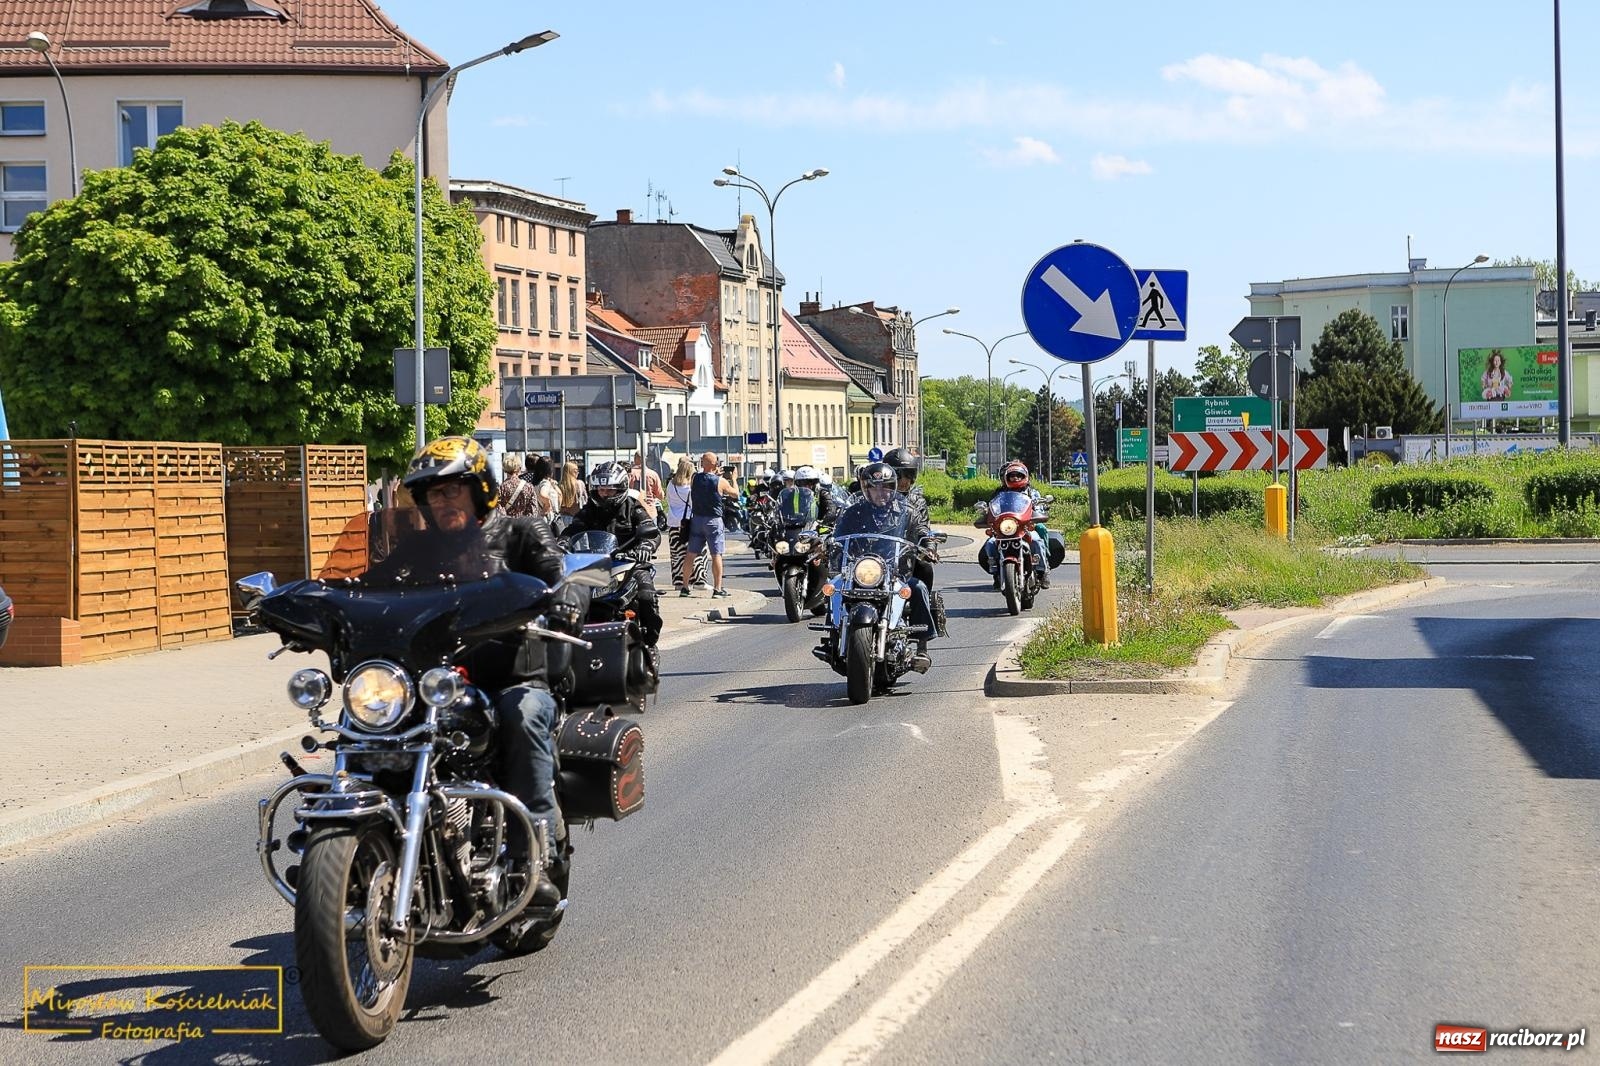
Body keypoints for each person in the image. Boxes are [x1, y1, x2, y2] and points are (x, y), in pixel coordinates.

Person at [384, 435, 580, 911]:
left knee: (524, 714)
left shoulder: (523, 533)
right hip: (438, 684)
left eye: (453, 490)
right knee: (378, 725)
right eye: (433, 493)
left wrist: (565, 601)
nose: (442, 500)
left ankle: (533, 860)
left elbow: (562, 577)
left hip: (512, 676)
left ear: (481, 490)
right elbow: (373, 591)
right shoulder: (417, 549)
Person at [835, 461, 938, 655]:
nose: (881, 492)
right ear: (866, 489)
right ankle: (834, 632)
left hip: (895, 570)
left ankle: (922, 644)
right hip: (861, 569)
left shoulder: (907, 512)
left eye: (886, 487)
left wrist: (928, 545)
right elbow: (838, 535)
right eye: (875, 488)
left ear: (893, 488)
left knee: (918, 587)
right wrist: (826, 545)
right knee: (835, 588)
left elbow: (922, 531)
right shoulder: (853, 512)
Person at [563, 461, 663, 647]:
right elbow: (573, 529)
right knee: (566, 596)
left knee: (646, 595)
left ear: (620, 488)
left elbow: (650, 530)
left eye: (609, 490)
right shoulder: (589, 510)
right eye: (601, 490)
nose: (604, 494)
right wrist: (562, 542)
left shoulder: (633, 507)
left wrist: (645, 546)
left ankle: (649, 641)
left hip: (629, 564)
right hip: (595, 565)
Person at [980, 460, 1050, 589]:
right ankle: (996, 572)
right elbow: (993, 508)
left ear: (1025, 476)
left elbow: (1039, 508)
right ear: (1006, 478)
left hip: (1024, 526)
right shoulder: (1000, 494)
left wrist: (1038, 514)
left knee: (1036, 540)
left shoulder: (1032, 492)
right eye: (1012, 476)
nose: (1015, 478)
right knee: (990, 543)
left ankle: (1042, 571)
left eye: (1018, 475)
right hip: (1006, 527)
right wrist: (986, 515)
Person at [681, 451, 739, 598]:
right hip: (713, 521)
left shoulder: (694, 478)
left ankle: (685, 587)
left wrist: (713, 472)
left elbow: (705, 478)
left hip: (697, 520)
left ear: (702, 463)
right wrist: (734, 479)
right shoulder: (721, 482)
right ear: (716, 464)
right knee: (716, 554)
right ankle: (718, 589)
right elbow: (736, 495)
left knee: (691, 554)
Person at [664, 457, 710, 591]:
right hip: (691, 523)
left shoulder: (671, 485)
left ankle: (679, 582)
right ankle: (699, 580)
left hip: (673, 523)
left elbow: (668, 501)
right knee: (698, 552)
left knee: (677, 554)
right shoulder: (690, 488)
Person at [527, 455, 562, 519]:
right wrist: (548, 505)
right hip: (549, 518)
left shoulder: (536, 483)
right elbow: (543, 494)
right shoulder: (545, 483)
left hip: (540, 517)